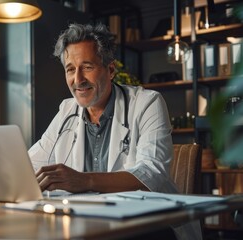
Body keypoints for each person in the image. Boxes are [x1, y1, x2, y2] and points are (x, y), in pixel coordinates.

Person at [28, 22, 201, 240]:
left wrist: (84, 180)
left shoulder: (147, 103)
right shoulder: (67, 110)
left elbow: (152, 173)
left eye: (87, 66)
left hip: (147, 225)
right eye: (70, 69)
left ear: (110, 70)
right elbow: (30, 164)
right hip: (90, 224)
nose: (77, 79)